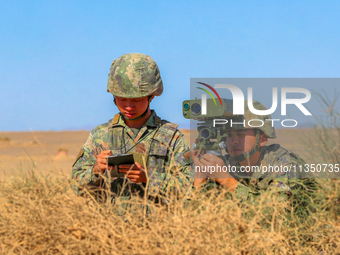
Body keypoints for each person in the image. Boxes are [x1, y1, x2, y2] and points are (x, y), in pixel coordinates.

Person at [71, 53, 192, 205]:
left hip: (157, 226)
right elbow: (77, 187)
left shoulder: (171, 137)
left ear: (151, 96)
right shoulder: (100, 135)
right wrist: (96, 170)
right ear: (114, 96)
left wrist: (149, 178)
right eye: (121, 99)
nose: (129, 106)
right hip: (108, 226)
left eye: (137, 100)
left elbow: (190, 187)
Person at [192, 100, 318, 211]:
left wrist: (227, 181)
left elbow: (274, 216)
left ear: (262, 140)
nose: (233, 141)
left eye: (241, 134)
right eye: (228, 135)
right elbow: (195, 216)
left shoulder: (284, 165)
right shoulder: (226, 165)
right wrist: (200, 175)